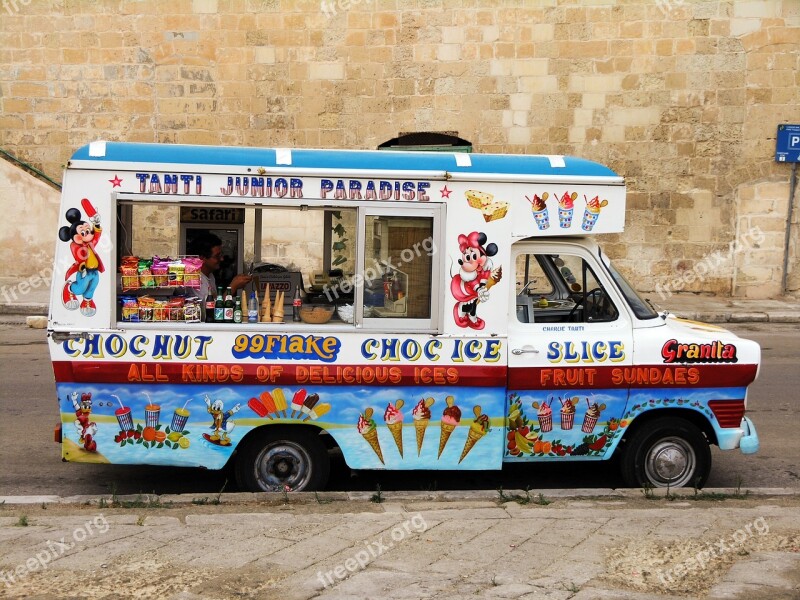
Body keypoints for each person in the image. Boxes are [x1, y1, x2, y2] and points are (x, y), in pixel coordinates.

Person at [189, 232, 252, 298]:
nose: (221, 259)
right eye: (217, 256)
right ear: (202, 258)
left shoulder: (210, 275)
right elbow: (213, 308)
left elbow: (216, 302)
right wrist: (233, 286)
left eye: (221, 255)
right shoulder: (195, 279)